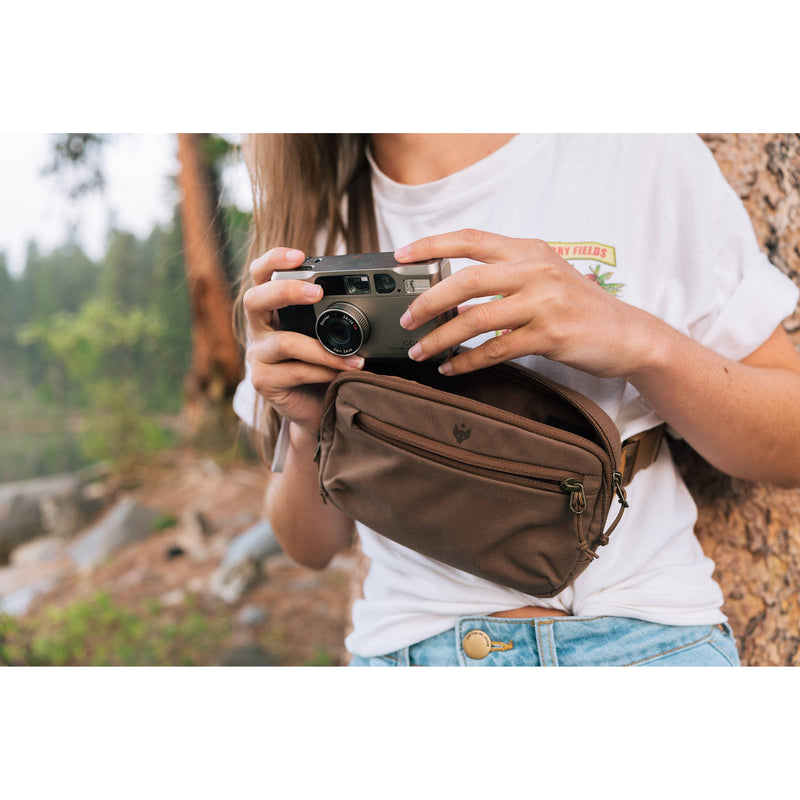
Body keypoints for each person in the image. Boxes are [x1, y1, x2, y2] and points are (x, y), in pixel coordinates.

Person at [233, 133, 800, 666]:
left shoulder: (634, 148)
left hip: (644, 634)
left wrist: (639, 342)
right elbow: (308, 546)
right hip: (408, 645)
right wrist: (310, 427)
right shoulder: (306, 243)